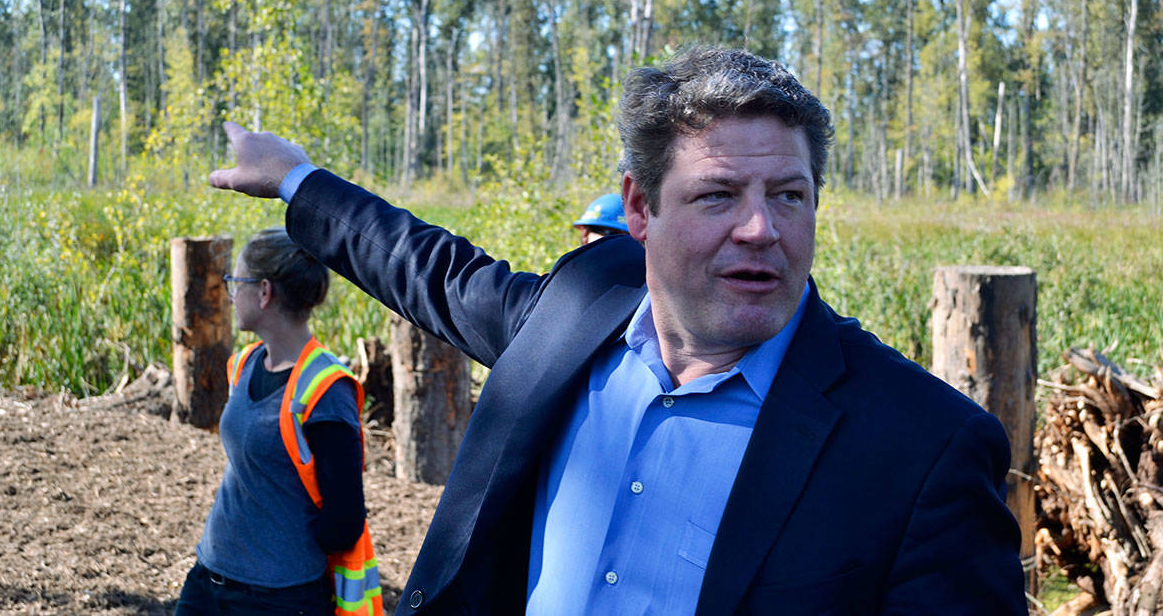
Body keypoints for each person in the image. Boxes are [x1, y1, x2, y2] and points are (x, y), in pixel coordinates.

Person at [210, 46, 1024, 615]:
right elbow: (435, 271)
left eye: (789, 194)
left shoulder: (920, 448)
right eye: (717, 195)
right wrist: (295, 179)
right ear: (640, 207)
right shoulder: (576, 313)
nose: (760, 229)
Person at [175, 228, 380, 616]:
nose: (231, 294)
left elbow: (344, 520)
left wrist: (282, 541)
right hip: (208, 579)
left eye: (236, 282)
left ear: (265, 292)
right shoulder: (246, 364)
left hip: (278, 599)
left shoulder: (326, 389)